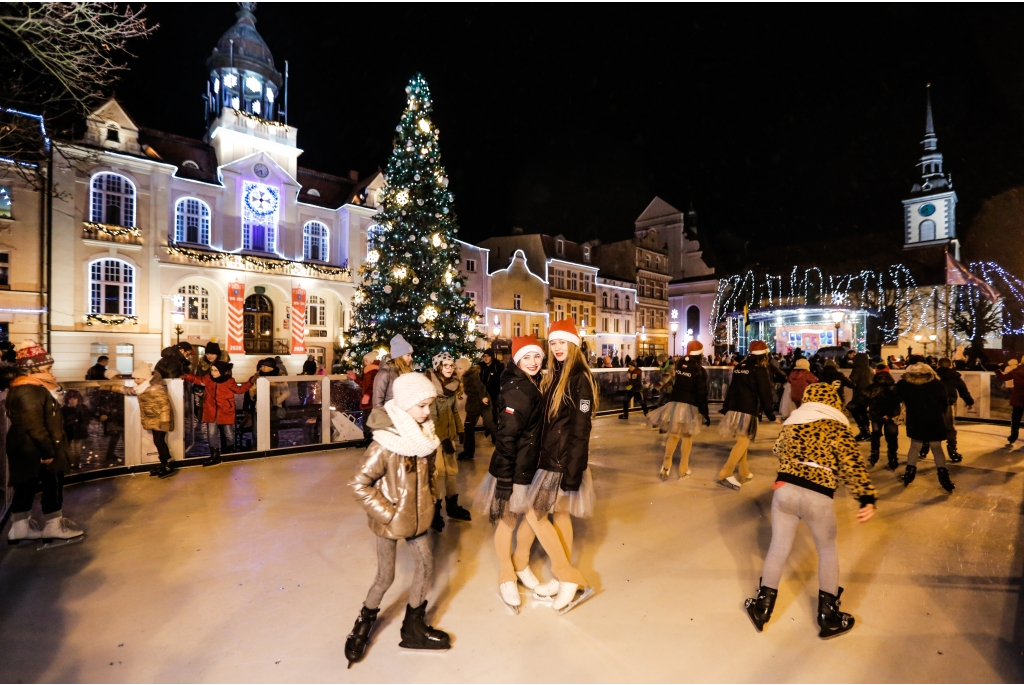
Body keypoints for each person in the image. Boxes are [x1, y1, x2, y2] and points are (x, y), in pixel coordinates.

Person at [744, 383, 876, 639]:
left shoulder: (794, 421)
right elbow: (852, 464)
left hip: (786, 490)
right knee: (827, 550)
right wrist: (866, 497)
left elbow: (777, 450)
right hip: (818, 494)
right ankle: (829, 616)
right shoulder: (837, 426)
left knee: (778, 547)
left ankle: (762, 607)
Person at [345, 373, 451, 666]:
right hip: (389, 520)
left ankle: (413, 627)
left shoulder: (424, 438)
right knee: (385, 577)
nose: (427, 412)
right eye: (422, 406)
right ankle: (364, 621)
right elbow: (358, 484)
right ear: (404, 406)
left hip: (418, 518)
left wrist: (430, 501)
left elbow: (430, 476)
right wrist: (389, 513)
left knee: (427, 565)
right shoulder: (386, 443)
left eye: (429, 405)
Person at [474, 336, 559, 613]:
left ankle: (520, 564)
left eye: (537, 356)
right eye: (527, 358)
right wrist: (505, 481)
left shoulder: (530, 382)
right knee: (509, 520)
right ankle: (506, 574)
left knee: (530, 518)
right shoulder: (516, 390)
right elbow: (506, 438)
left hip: (529, 465)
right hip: (513, 469)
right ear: (516, 360)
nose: (534, 362)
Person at [526, 318, 596, 613]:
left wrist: (573, 472)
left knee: (535, 514)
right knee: (561, 516)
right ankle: (561, 574)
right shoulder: (557, 374)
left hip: (561, 462)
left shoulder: (578, 378)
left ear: (574, 344)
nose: (556, 347)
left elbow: (581, 430)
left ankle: (569, 577)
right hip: (552, 457)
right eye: (552, 342)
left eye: (561, 342)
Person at [6, 340, 84, 544]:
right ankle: (53, 525)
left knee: (26, 485)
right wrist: (47, 452)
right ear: (31, 370)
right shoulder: (29, 391)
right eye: (47, 369)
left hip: (29, 447)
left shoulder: (27, 388)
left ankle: (20, 528)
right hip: (37, 448)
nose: (52, 373)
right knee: (52, 484)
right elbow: (34, 425)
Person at [717, 340, 778, 490]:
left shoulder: (740, 366)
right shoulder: (760, 369)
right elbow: (765, 393)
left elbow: (732, 388)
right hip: (748, 408)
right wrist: (770, 414)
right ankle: (726, 472)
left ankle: (744, 472)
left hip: (734, 408)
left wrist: (726, 407)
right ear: (764, 354)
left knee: (741, 439)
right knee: (744, 440)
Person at [648, 340, 710, 481]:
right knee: (687, 437)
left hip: (675, 403)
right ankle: (683, 468)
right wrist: (705, 413)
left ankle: (666, 465)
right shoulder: (700, 370)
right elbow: (702, 393)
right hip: (690, 405)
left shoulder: (679, 364)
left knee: (673, 435)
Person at [106, 363, 176, 478]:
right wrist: (111, 387)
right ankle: (164, 463)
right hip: (153, 420)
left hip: (159, 421)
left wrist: (165, 422)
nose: (136, 381)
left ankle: (168, 463)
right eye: (135, 378)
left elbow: (165, 405)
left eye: (138, 378)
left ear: (146, 378)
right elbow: (130, 391)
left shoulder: (155, 388)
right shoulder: (142, 388)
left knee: (159, 442)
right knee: (158, 442)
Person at [425, 352, 470, 531]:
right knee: (439, 472)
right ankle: (434, 509)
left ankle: (452, 505)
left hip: (448, 437)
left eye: (451, 365)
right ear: (438, 367)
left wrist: (461, 430)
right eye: (446, 365)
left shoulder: (452, 387)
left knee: (452, 471)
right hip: (435, 439)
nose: (450, 368)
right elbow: (433, 417)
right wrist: (442, 439)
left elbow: (453, 412)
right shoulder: (431, 390)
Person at [895, 362, 955, 492]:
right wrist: (939, 414)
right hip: (935, 419)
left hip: (915, 419)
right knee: (937, 448)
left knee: (915, 446)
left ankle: (909, 473)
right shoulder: (936, 384)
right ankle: (944, 477)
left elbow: (896, 398)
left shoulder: (905, 384)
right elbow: (944, 403)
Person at [182, 361, 253, 467]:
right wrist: (184, 376)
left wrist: (251, 381)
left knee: (229, 434)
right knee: (211, 433)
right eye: (212, 370)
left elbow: (239, 390)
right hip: (211, 410)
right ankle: (214, 455)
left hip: (225, 411)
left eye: (216, 370)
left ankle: (230, 453)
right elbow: (197, 379)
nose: (213, 372)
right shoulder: (208, 378)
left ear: (222, 372)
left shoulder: (229, 381)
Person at [862, 364, 902, 469]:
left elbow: (864, 399)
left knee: (876, 434)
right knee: (892, 436)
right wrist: (889, 414)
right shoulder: (894, 387)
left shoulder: (871, 387)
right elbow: (897, 400)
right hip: (890, 415)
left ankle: (874, 454)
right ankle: (892, 457)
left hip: (876, 415)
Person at [456, 356, 496, 461]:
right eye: (457, 368)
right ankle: (468, 452)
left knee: (489, 425)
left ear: (465, 368)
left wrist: (483, 397)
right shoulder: (463, 376)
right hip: (473, 404)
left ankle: (504, 444)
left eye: (460, 368)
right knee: (468, 427)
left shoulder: (473, 375)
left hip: (483, 403)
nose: (458, 370)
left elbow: (480, 386)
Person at [243, 358, 288, 449]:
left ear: (271, 368)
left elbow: (286, 393)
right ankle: (258, 449)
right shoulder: (256, 377)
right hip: (258, 408)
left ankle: (273, 448)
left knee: (273, 431)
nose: (261, 368)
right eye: (261, 366)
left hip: (273, 409)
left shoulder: (279, 378)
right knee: (256, 432)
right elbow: (249, 393)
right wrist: (252, 395)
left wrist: (276, 402)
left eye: (264, 366)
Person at [936, 357, 974, 462]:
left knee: (931, 426)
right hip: (948, 405)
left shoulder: (933, 375)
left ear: (938, 365)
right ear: (951, 365)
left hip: (934, 405)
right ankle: (952, 450)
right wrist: (969, 402)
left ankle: (924, 447)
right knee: (950, 428)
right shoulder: (955, 376)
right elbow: (963, 391)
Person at [372, 334, 414, 409]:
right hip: (390, 418)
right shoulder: (385, 373)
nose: (411, 358)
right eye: (408, 355)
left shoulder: (407, 372)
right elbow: (377, 404)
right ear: (399, 356)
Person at [995, 357, 1024, 447]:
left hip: (1018, 398)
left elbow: (1003, 377)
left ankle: (1013, 435)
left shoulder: (1017, 371)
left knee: (1016, 418)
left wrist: (997, 370)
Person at [61, 389, 91, 469]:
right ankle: (69, 462)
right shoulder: (64, 409)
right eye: (70, 398)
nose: (72, 400)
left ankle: (76, 463)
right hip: (68, 430)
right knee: (68, 447)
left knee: (77, 448)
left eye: (74, 398)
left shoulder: (82, 408)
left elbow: (86, 419)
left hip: (78, 430)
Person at [357, 351, 380, 444]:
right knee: (366, 421)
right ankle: (367, 438)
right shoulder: (368, 370)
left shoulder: (373, 371)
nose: (365, 363)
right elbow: (364, 385)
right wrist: (355, 378)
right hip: (367, 401)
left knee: (369, 421)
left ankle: (370, 439)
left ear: (370, 361)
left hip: (371, 401)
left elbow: (372, 386)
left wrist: (367, 395)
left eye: (366, 360)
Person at [479, 348, 505, 427]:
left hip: (494, 395)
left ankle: (495, 436)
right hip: (484, 394)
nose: (486, 358)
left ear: (492, 357)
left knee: (494, 415)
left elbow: (502, 380)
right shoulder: (481, 367)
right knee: (486, 415)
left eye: (488, 356)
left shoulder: (497, 367)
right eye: (484, 356)